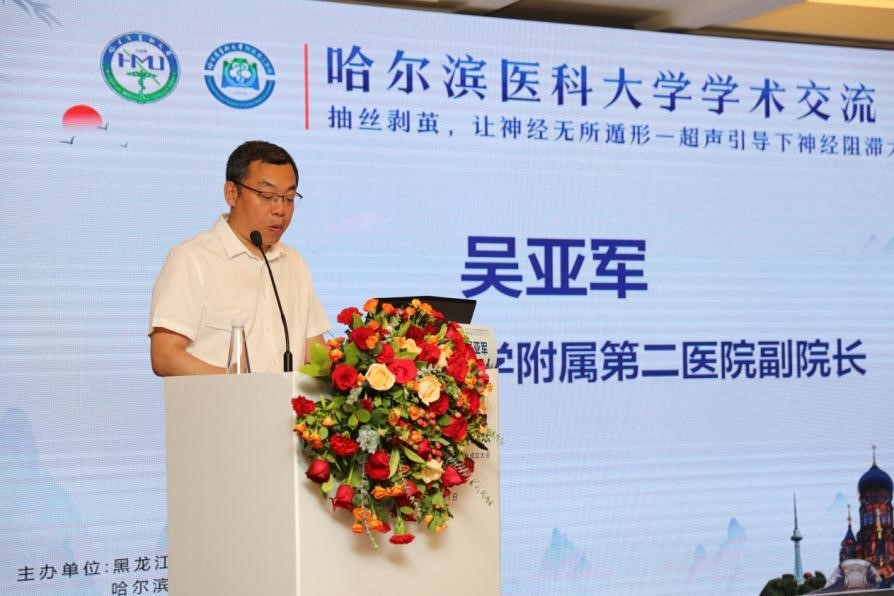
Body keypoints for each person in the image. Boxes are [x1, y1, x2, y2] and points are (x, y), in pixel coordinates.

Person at [149, 140, 330, 376]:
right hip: (220, 401)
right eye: (267, 195)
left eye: (288, 198)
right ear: (232, 194)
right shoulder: (192, 259)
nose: (280, 209)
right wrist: (243, 386)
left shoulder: (294, 262)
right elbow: (164, 356)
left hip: (286, 402)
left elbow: (315, 356)